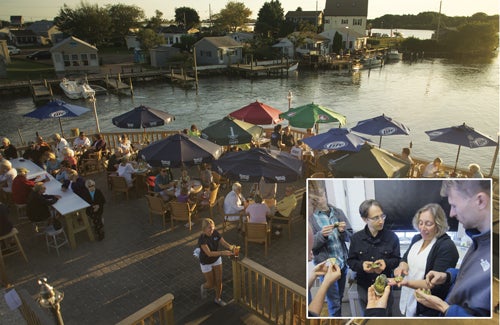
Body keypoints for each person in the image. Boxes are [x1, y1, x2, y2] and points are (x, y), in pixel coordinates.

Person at [417, 180, 491, 317]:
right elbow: (472, 276)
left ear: (480, 201)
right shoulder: (478, 238)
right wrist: (448, 276)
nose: (451, 214)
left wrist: (444, 308)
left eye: (454, 206)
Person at [392, 203, 459, 316]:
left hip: (427, 306)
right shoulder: (417, 238)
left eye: (428, 224)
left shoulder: (446, 246)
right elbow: (405, 259)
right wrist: (402, 266)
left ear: (438, 224)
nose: (422, 228)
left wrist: (407, 283)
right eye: (420, 223)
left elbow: (435, 283)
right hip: (408, 298)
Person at [347, 199, 400, 316]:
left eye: (382, 216)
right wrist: (361, 266)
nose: (381, 221)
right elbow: (350, 261)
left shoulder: (392, 237)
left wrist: (386, 263)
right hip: (363, 287)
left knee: (386, 316)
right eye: (376, 218)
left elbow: (397, 260)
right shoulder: (356, 238)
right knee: (367, 317)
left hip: (385, 287)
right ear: (365, 219)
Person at [309, 188, 353, 317]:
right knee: (333, 301)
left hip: (342, 263)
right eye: (315, 199)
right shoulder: (311, 218)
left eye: (321, 196)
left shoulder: (338, 212)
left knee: (339, 296)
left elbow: (351, 237)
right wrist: (322, 235)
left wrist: (342, 231)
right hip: (326, 267)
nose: (319, 200)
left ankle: (337, 317)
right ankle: (335, 318)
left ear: (325, 195)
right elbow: (311, 246)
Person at [198, 218, 236, 307]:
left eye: (212, 227)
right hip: (206, 261)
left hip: (216, 259)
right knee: (211, 284)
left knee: (219, 281)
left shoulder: (215, 232)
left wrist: (231, 247)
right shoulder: (202, 239)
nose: (212, 230)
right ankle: (204, 286)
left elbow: (224, 243)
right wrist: (223, 253)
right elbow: (209, 253)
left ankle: (218, 299)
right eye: (209, 228)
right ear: (204, 229)